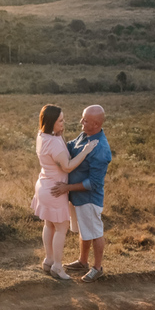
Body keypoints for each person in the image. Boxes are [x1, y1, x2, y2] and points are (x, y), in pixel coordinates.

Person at [32, 104, 98, 280]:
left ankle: (48, 260)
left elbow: (55, 153)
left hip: (44, 186)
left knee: (49, 225)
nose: (64, 123)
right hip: (56, 189)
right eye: (60, 120)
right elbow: (67, 167)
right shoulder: (54, 143)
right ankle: (58, 267)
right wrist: (85, 151)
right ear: (52, 122)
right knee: (61, 228)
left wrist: (59, 136)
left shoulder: (43, 136)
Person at [51, 105, 112, 283]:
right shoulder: (85, 135)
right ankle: (82, 261)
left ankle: (97, 268)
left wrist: (67, 188)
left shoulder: (100, 149)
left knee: (95, 232)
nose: (81, 122)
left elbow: (93, 183)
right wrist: (56, 138)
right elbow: (70, 147)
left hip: (89, 200)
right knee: (84, 231)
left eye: (85, 120)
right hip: (77, 198)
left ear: (96, 123)